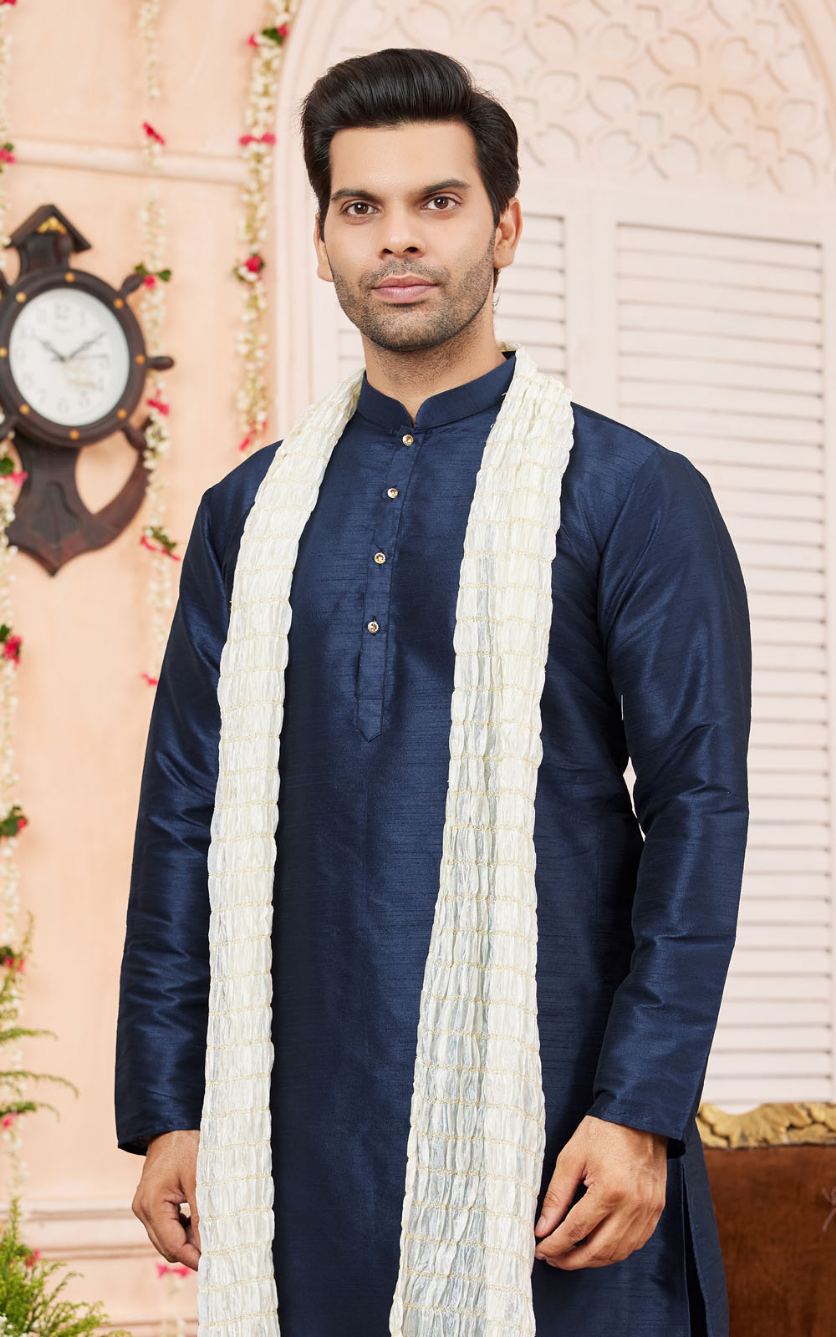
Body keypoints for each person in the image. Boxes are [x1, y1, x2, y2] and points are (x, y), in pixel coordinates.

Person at [115, 46, 750, 1337]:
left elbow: (699, 806)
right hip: (303, 1145)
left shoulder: (628, 494)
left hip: (560, 1136)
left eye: (438, 202)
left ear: (505, 225)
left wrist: (638, 1107)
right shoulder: (253, 513)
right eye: (362, 207)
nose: (398, 239)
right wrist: (172, 1103)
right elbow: (183, 813)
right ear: (323, 237)